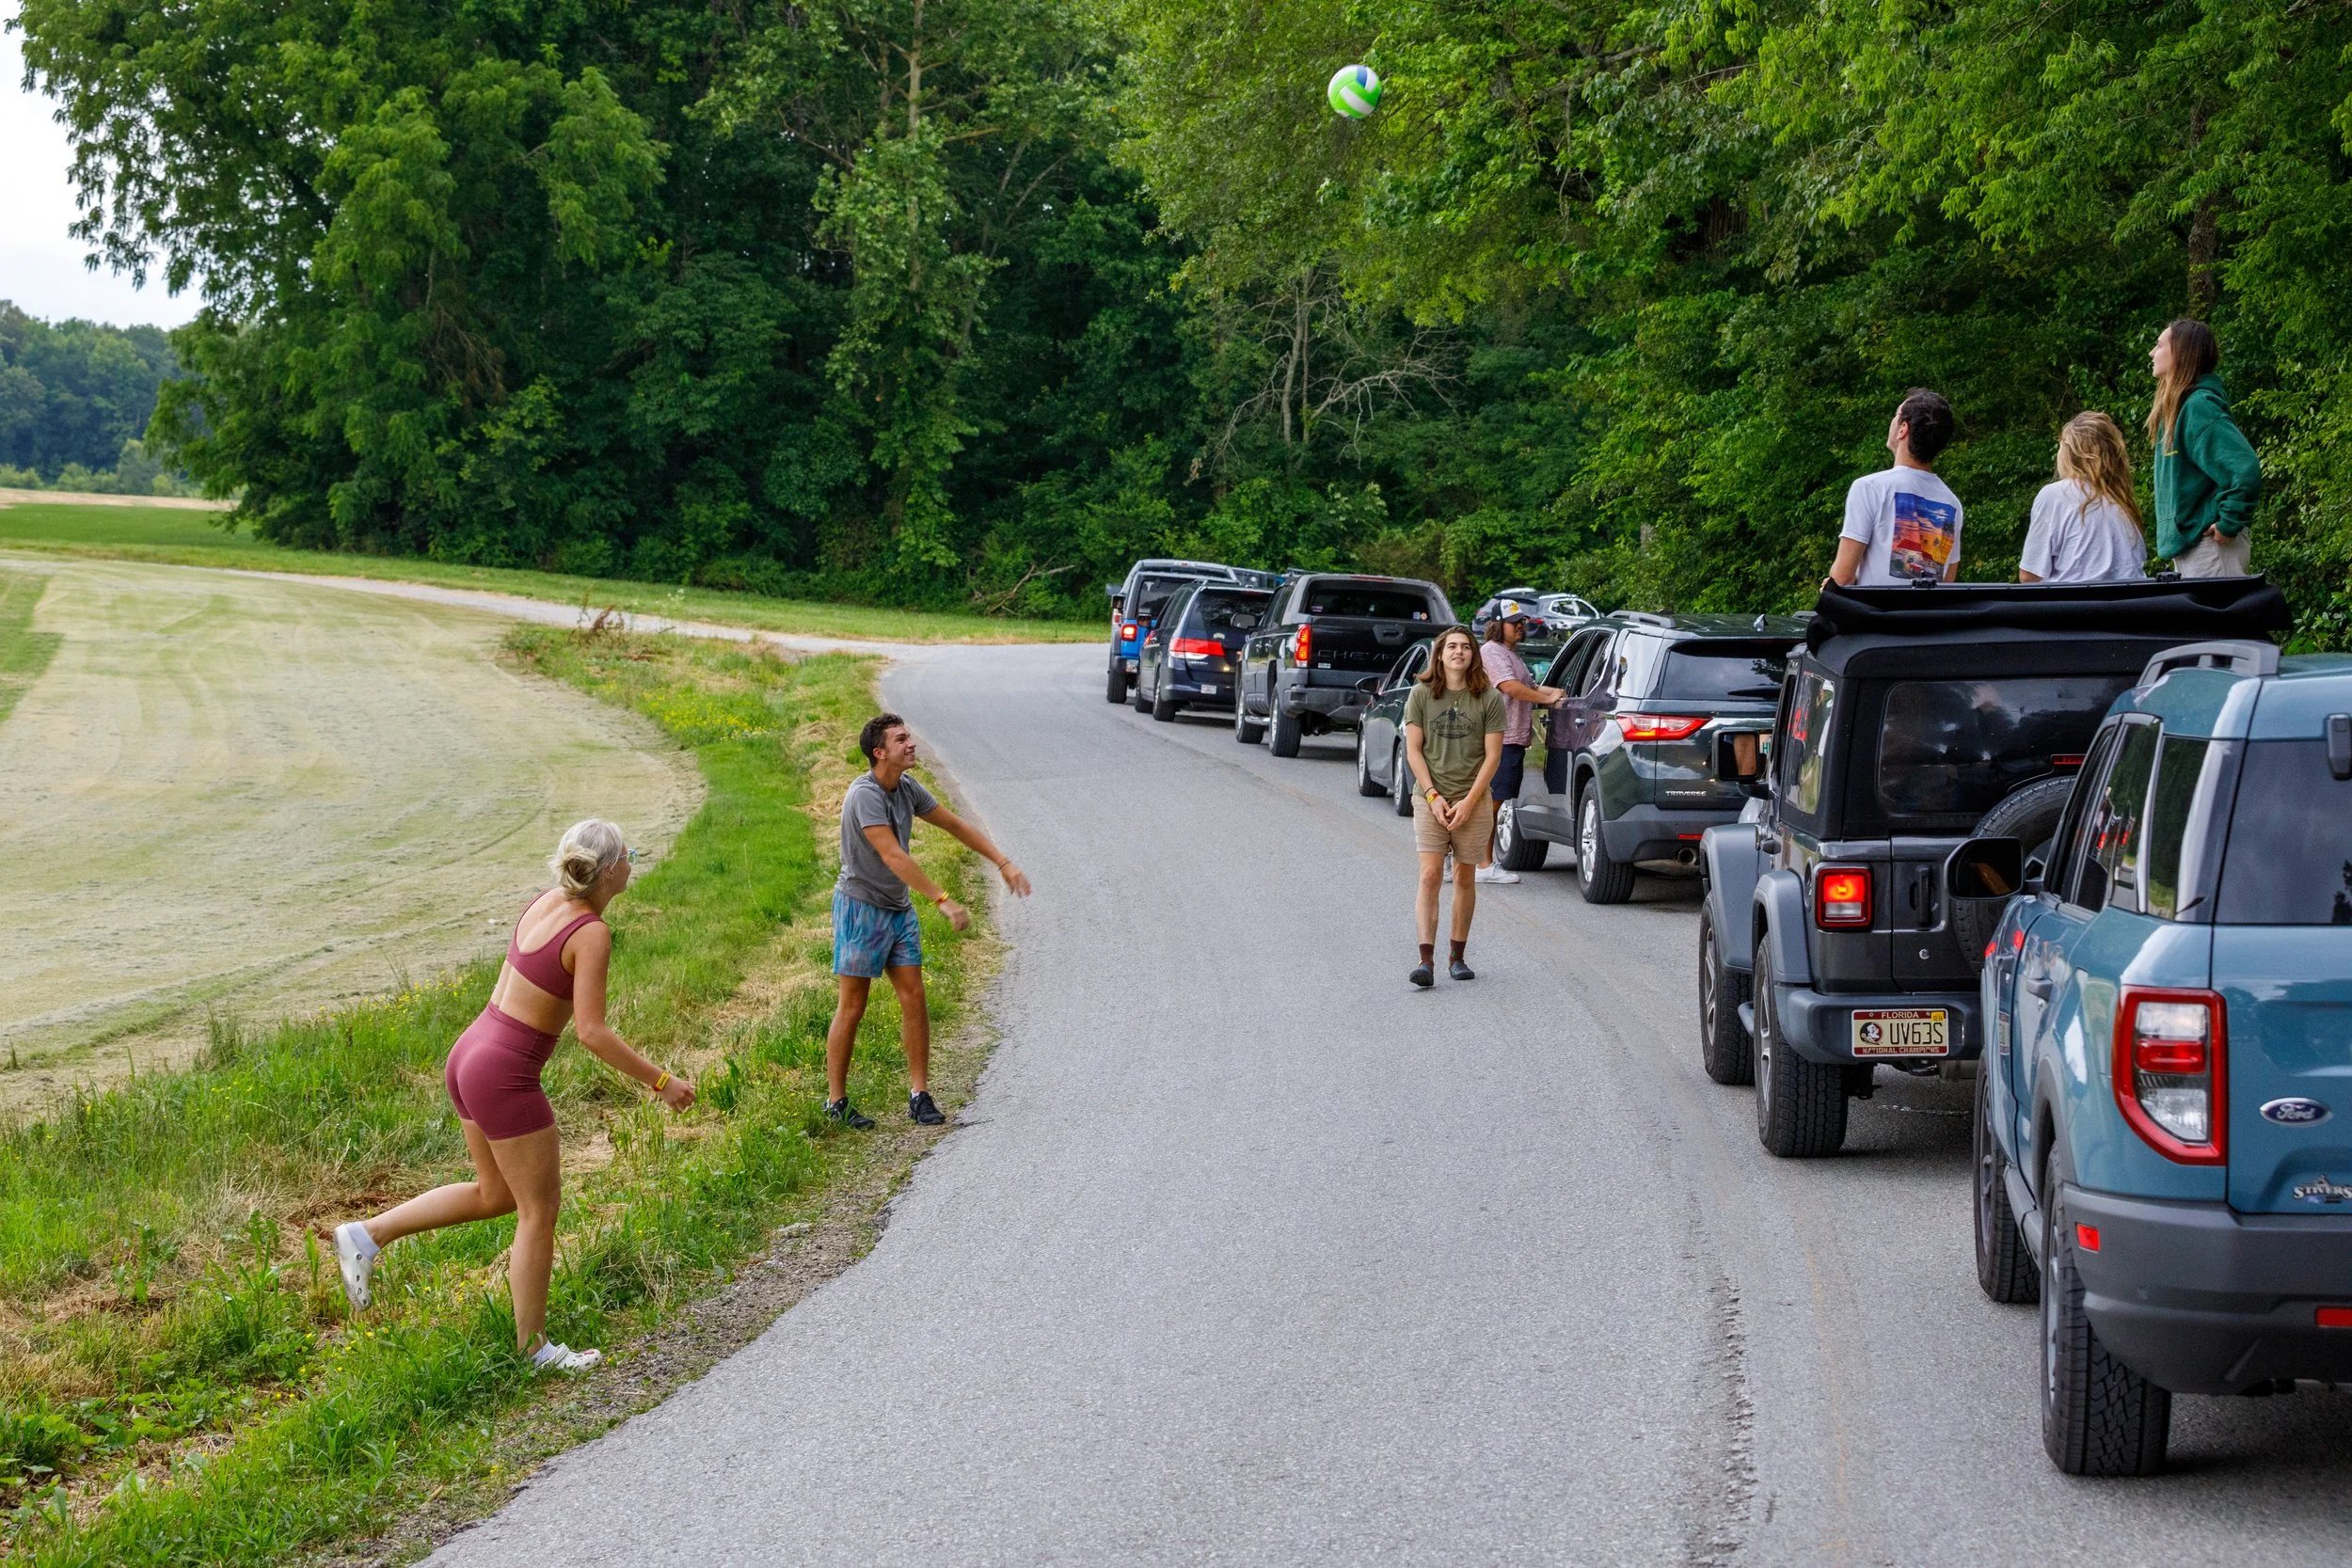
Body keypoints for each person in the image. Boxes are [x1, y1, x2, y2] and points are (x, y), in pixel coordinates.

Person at [331, 820, 692, 1373]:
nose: (634, 862)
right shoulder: (591, 932)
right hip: (504, 1072)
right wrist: (662, 1083)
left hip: (470, 1053)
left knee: (495, 1194)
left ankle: (367, 1235)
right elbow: (592, 1032)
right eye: (631, 854)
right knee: (538, 1209)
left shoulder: (544, 902)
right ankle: (533, 1349)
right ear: (612, 868)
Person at [826, 713, 1030, 1130]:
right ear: (879, 752)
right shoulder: (864, 795)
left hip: (898, 908)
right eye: (901, 739)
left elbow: (954, 824)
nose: (911, 744)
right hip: (861, 908)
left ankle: (920, 1095)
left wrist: (1003, 862)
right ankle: (836, 1102)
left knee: (914, 996)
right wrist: (942, 899)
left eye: (909, 737)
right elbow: (893, 855)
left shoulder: (907, 788)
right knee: (853, 1006)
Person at [1403, 625, 1505, 989]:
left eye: (1465, 647)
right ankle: (1425, 961)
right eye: (1451, 647)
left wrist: (1469, 802)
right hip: (1430, 797)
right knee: (1431, 874)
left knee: (1464, 876)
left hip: (1472, 801)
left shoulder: (1489, 698)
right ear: (1440, 654)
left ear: (1474, 655)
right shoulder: (1421, 694)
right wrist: (1432, 796)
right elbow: (1414, 749)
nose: (1458, 652)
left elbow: (1493, 757)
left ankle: (1457, 957)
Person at [2147, 318, 2261, 578]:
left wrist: (2228, 522)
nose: (2152, 352)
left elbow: (2244, 468)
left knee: (2219, 619)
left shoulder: (2199, 406)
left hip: (2210, 547)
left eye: (2159, 345)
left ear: (2181, 352)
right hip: (2191, 546)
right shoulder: (2179, 407)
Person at [1826, 388, 1963, 588]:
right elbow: (1946, 585)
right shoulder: (1952, 504)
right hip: (1926, 618)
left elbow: (1842, 579)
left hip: (1875, 617)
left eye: (1896, 415)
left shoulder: (1870, 488)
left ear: (1903, 429)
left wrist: (1832, 585)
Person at [1475, 604, 1565, 886]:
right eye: (1513, 622)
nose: (1520, 626)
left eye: (1522, 622)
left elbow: (1532, 687)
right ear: (1497, 624)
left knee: (1492, 802)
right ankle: (1483, 864)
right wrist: (1547, 700)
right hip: (1499, 737)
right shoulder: (1492, 651)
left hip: (1511, 738)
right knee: (1491, 803)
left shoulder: (1510, 654)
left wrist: (1559, 694)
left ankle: (1469, 862)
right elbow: (1510, 688)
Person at [2020, 412, 2148, 583]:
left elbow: (2029, 576)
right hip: (2129, 606)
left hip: (2076, 605)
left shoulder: (2055, 496)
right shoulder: (2123, 502)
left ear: (2070, 452)